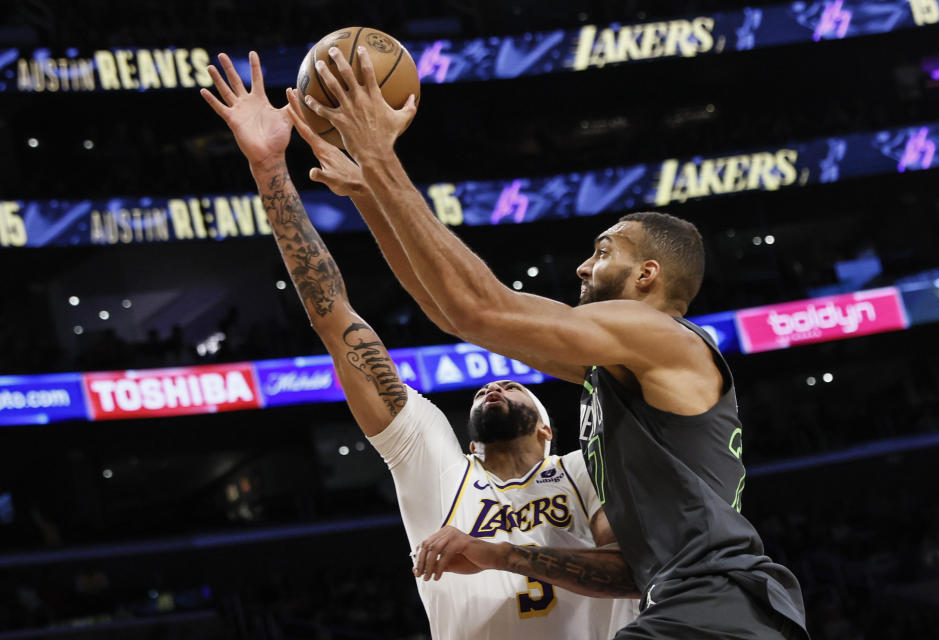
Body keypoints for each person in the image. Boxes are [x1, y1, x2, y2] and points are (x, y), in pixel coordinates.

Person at [292, 45, 810, 638]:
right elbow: (455, 317)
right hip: (695, 606)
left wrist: (383, 160)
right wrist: (370, 194)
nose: (584, 269)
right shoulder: (615, 369)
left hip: (713, 604)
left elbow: (479, 304)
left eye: (604, 250)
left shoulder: (659, 335)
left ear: (649, 275)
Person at [200, 51, 638, 640]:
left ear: (548, 429)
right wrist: (270, 170)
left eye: (515, 385)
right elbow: (336, 320)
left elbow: (631, 574)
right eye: (494, 383)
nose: (495, 384)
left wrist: (498, 553)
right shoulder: (432, 460)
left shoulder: (589, 467)